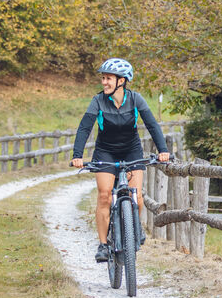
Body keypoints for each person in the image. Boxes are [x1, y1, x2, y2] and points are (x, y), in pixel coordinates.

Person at [71, 58, 170, 262]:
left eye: (109, 78)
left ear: (122, 81)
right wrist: (77, 156)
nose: (104, 82)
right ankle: (103, 245)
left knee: (137, 197)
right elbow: (84, 127)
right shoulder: (97, 101)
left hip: (131, 150)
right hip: (105, 151)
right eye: (103, 78)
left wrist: (163, 151)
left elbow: (152, 125)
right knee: (105, 196)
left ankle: (135, 228)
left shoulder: (135, 99)